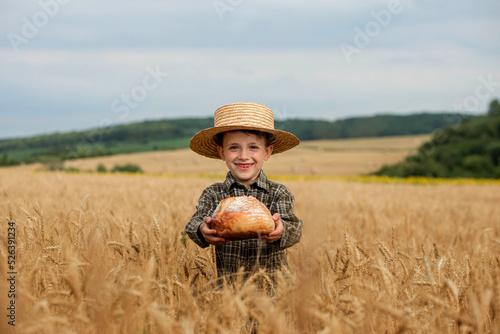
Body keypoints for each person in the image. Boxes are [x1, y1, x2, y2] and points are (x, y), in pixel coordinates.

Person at [185, 102, 304, 282]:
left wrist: (281, 230)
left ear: (267, 152)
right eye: (234, 147)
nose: (243, 155)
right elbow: (194, 223)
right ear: (221, 152)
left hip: (272, 289)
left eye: (253, 147)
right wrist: (202, 229)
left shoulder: (279, 192)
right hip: (229, 289)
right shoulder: (213, 193)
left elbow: (295, 229)